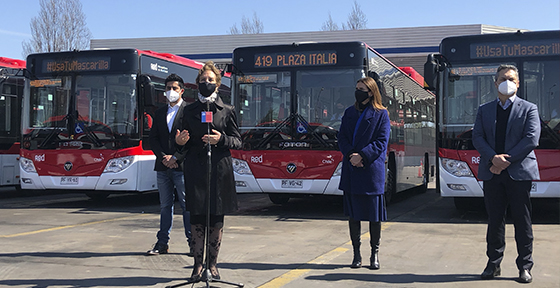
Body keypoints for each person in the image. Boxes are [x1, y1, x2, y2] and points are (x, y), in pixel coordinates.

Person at [472, 64, 540, 284]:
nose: (506, 82)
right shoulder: (484, 109)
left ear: (518, 83)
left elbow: (531, 139)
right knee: (495, 220)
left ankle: (525, 266)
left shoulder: (529, 108)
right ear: (495, 83)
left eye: (511, 78)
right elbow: (478, 138)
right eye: (502, 78)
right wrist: (494, 158)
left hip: (518, 173)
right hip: (492, 172)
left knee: (522, 220)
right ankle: (493, 264)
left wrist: (504, 161)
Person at [175, 61, 242, 281]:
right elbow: (182, 142)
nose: (206, 83)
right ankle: (197, 265)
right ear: (197, 83)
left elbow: (238, 141)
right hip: (195, 169)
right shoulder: (189, 110)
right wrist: (180, 141)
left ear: (218, 83)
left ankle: (213, 265)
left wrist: (221, 139)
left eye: (210, 80)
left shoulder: (227, 110)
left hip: (219, 170)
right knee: (196, 219)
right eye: (203, 80)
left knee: (215, 219)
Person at [338, 77, 390, 270]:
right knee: (354, 217)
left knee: (374, 217)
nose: (358, 92)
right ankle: (356, 254)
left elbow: (381, 142)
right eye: (357, 88)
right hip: (352, 169)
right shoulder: (349, 112)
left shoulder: (381, 114)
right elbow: (341, 137)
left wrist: (362, 156)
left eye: (362, 89)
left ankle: (374, 254)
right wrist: (351, 154)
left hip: (370, 172)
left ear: (371, 92)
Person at [146, 74, 192, 256]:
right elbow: (153, 138)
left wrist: (176, 157)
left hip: (181, 167)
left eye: (174, 88)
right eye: (167, 88)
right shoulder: (159, 113)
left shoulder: (189, 112)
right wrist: (164, 157)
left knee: (187, 206)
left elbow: (191, 140)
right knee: (165, 206)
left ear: (182, 91)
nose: (170, 92)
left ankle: (192, 243)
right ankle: (162, 243)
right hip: (163, 166)